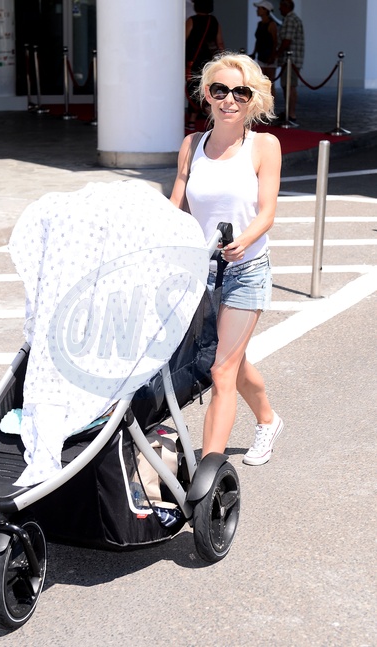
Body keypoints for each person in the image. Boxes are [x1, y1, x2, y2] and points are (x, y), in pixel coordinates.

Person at [170, 52, 284, 466]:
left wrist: (244, 240)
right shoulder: (192, 146)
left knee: (221, 369)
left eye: (240, 92)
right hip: (200, 273)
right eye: (220, 90)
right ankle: (268, 418)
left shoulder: (264, 146)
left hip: (246, 270)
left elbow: (267, 213)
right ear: (207, 94)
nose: (229, 100)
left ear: (253, 98)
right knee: (231, 361)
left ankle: (209, 471)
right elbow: (176, 208)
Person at [185, 0, 225, 131]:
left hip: (194, 61)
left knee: (193, 89)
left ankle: (193, 119)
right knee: (207, 89)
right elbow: (220, 43)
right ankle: (211, 116)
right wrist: (223, 61)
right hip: (210, 62)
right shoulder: (214, 21)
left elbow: (183, 40)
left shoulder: (192, 20)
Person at [276, 0, 304, 126]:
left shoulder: (290, 19)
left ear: (286, 7)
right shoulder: (292, 19)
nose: (279, 9)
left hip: (291, 60)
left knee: (290, 86)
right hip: (291, 60)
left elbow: (287, 40)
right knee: (287, 86)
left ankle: (291, 114)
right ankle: (288, 112)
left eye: (281, 6)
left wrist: (277, 53)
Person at [249, 1, 278, 96]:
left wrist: (273, 56)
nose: (257, 11)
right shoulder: (259, 24)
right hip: (261, 56)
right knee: (262, 83)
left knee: (270, 83)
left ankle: (271, 103)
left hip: (269, 56)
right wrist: (254, 52)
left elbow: (275, 41)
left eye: (259, 9)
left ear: (265, 10)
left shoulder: (272, 24)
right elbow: (258, 40)